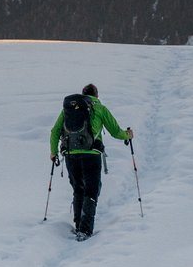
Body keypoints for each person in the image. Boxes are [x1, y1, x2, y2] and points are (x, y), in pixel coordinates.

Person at [49, 83, 133, 239]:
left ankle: (78, 224)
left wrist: (53, 153)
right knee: (91, 189)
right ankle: (85, 230)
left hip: (70, 154)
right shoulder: (100, 108)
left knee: (78, 188)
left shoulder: (68, 109)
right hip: (91, 154)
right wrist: (128, 135)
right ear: (97, 95)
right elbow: (115, 132)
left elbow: (55, 131)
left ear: (82, 95)